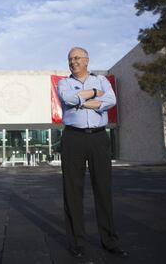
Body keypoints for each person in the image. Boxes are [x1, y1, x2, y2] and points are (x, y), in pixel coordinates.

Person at [57, 47, 129, 259]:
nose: (73, 62)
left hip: (98, 137)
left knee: (103, 190)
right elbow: (68, 99)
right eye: (70, 59)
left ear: (87, 60)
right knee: (72, 192)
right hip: (73, 139)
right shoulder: (64, 83)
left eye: (77, 58)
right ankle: (77, 243)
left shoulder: (102, 80)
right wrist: (95, 96)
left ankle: (109, 241)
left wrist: (83, 101)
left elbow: (111, 101)